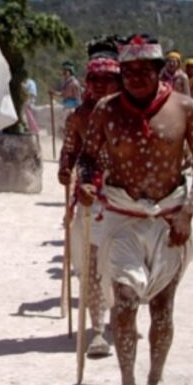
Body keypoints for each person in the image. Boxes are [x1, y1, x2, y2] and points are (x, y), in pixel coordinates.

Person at [77, 34, 193, 385]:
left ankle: (155, 380)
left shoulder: (184, 108)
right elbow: (88, 157)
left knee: (163, 307)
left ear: (158, 71)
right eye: (128, 71)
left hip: (169, 219)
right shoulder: (105, 110)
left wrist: (187, 212)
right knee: (123, 301)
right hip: (123, 217)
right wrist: (87, 182)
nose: (135, 77)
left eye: (143, 71)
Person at [58, 55, 122, 357]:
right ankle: (97, 330)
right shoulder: (79, 116)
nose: (99, 86)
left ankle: (121, 318)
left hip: (127, 200)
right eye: (94, 80)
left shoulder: (132, 116)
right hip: (90, 199)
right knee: (92, 265)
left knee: (121, 266)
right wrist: (64, 170)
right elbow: (69, 151)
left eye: (106, 80)